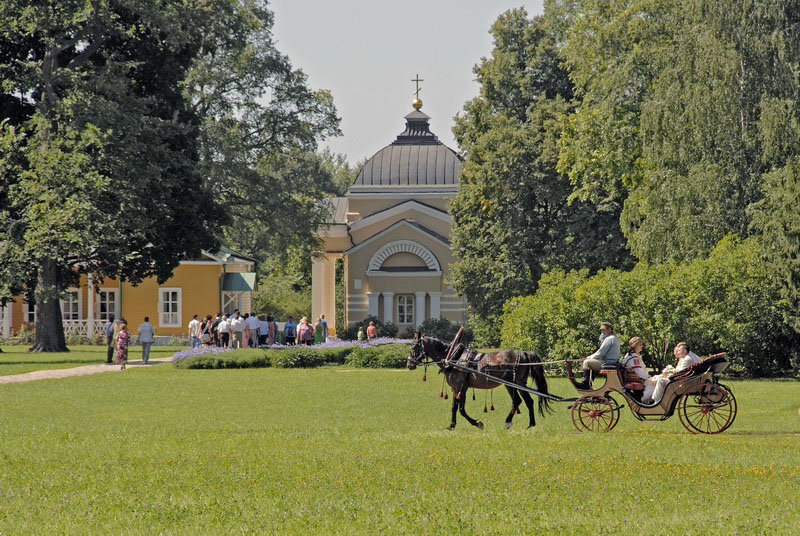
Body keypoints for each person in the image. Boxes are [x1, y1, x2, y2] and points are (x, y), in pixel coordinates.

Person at [578, 321, 620, 389]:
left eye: (604, 329)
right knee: (592, 362)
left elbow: (600, 353)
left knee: (587, 362)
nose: (602, 331)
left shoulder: (609, 339)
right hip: (612, 362)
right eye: (602, 330)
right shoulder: (614, 338)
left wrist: (589, 357)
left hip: (608, 363)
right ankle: (589, 383)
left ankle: (585, 384)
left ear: (610, 329)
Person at [622, 336, 655, 402]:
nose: (642, 346)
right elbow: (640, 372)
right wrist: (648, 377)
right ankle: (646, 401)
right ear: (635, 346)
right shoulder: (634, 358)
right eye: (640, 345)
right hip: (636, 379)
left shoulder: (631, 355)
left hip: (637, 378)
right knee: (654, 385)